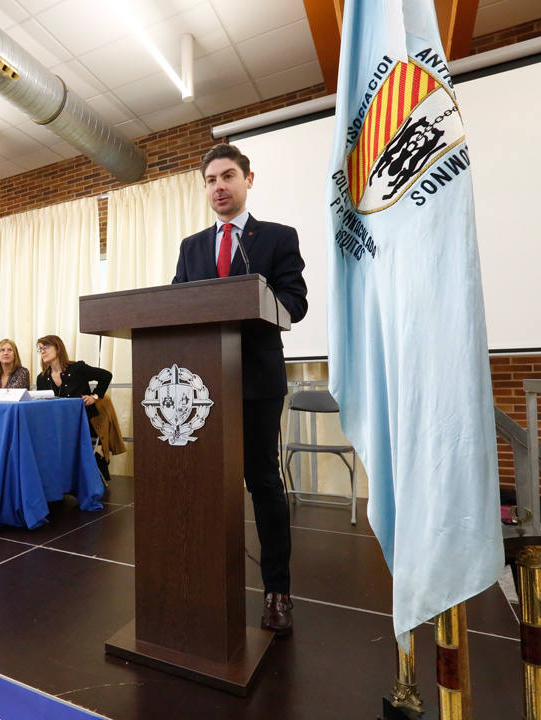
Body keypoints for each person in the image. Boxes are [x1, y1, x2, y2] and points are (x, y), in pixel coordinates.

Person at [172, 142, 308, 635]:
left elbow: (295, 303)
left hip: (256, 380)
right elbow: (175, 308)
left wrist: (256, 296)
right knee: (203, 485)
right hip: (201, 388)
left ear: (249, 180)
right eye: (210, 180)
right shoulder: (191, 247)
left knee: (262, 482)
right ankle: (202, 581)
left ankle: (277, 590)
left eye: (227, 176)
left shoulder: (274, 238)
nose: (219, 187)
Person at [34, 335, 111, 422]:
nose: (42, 352)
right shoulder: (41, 378)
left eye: (45, 347)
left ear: (58, 347)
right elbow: (42, 405)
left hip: (83, 422)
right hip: (56, 424)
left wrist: (94, 397)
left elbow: (106, 376)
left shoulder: (77, 368)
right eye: (40, 349)